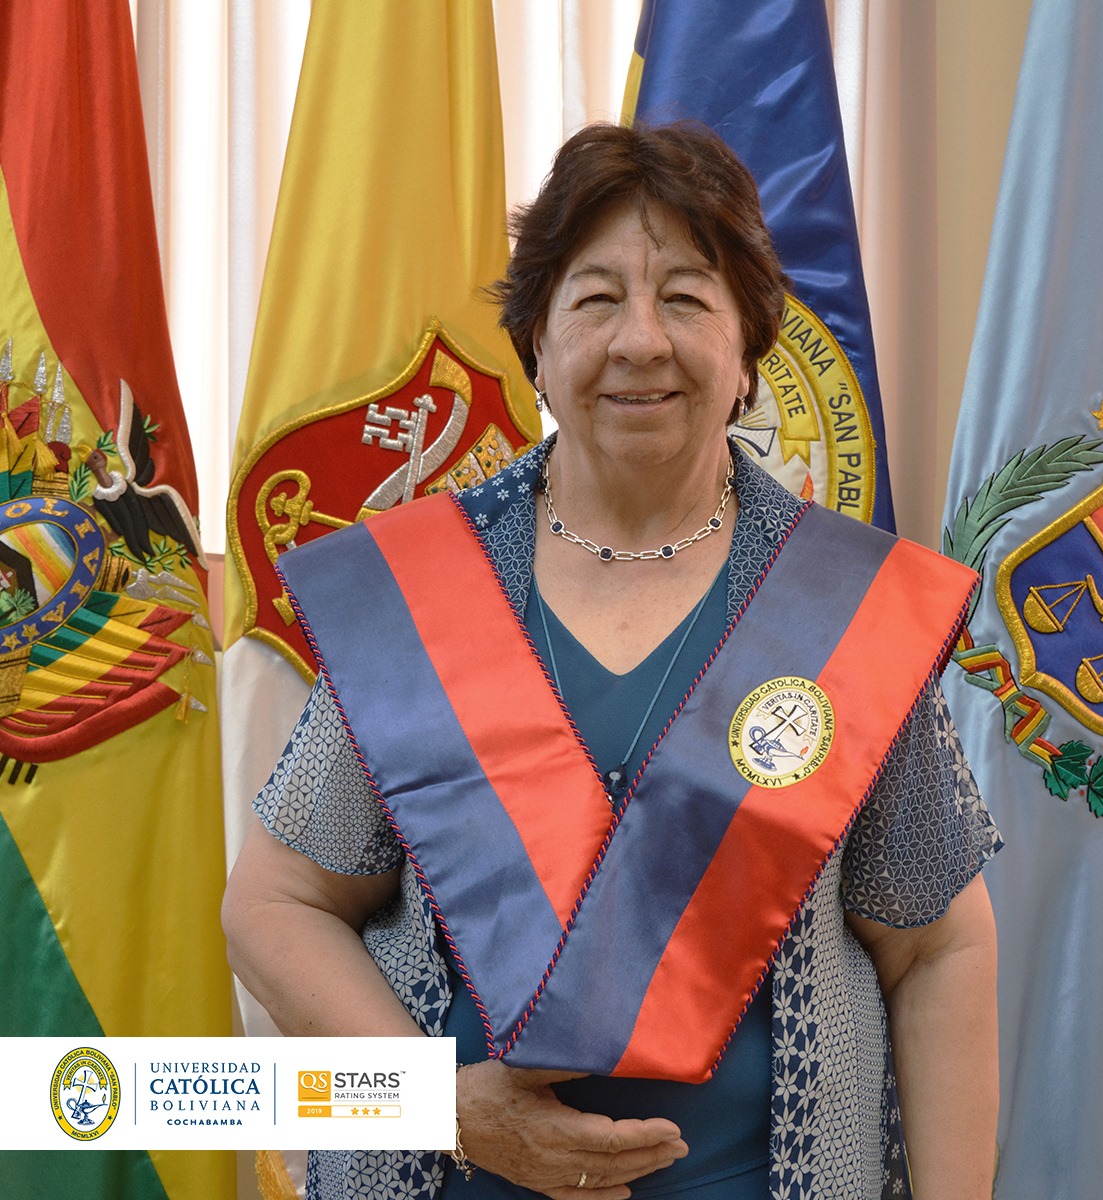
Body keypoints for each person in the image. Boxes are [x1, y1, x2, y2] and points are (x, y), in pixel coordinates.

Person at [223, 121, 1002, 1200]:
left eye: (686, 297)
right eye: (596, 300)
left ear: (746, 351)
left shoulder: (841, 609)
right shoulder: (419, 597)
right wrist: (437, 1108)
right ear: (537, 346)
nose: (641, 340)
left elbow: (937, 951)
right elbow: (274, 907)